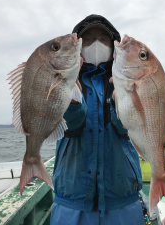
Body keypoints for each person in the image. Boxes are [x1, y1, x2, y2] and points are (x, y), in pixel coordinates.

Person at [50, 14, 144, 225]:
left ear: (113, 46)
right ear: (78, 46)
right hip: (71, 201)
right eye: (89, 39)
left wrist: (120, 99)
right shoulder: (62, 77)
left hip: (122, 199)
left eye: (103, 38)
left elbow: (127, 128)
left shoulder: (128, 79)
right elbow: (68, 126)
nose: (96, 44)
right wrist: (73, 100)